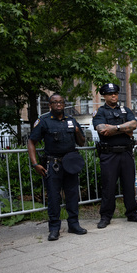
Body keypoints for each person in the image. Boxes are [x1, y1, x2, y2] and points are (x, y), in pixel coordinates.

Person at [27, 93, 87, 241]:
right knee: (54, 198)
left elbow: (82, 142)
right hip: (53, 164)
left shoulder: (71, 121)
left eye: (61, 102)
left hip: (70, 164)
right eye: (55, 102)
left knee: (72, 195)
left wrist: (78, 132)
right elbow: (31, 142)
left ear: (64, 104)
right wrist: (35, 164)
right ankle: (54, 228)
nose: (58, 104)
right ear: (50, 105)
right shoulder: (44, 121)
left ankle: (74, 224)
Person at [92, 83, 137, 229]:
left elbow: (134, 125)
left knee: (129, 185)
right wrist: (124, 129)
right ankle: (106, 216)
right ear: (104, 96)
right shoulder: (100, 112)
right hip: (109, 154)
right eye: (110, 94)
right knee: (108, 186)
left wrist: (114, 128)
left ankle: (132, 213)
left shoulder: (125, 110)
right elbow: (102, 130)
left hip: (126, 153)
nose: (114, 96)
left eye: (115, 93)